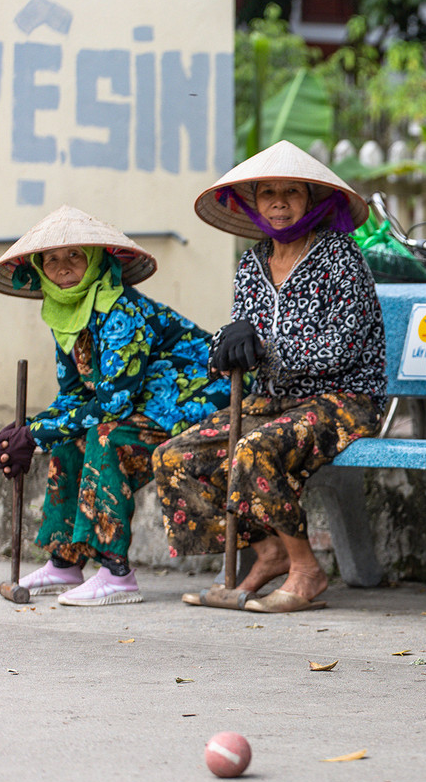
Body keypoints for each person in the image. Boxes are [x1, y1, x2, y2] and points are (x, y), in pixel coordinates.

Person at [152, 140, 386, 614]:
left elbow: (342, 346)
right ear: (253, 203)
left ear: (311, 200)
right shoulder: (251, 263)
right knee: (175, 457)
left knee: (254, 448)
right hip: (271, 401)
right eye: (267, 193)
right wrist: (229, 343)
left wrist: (266, 350)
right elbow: (241, 334)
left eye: (292, 192)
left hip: (342, 399)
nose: (279, 202)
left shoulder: (339, 256)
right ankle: (270, 552)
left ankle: (307, 570)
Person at [0, 206, 229, 605]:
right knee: (68, 442)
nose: (63, 267)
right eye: (52, 260)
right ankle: (64, 562)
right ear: (41, 270)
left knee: (106, 437)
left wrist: (36, 432)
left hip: (195, 402)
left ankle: (117, 573)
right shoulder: (65, 315)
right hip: (143, 408)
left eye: (75, 257)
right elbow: (74, 398)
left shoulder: (119, 309)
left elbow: (113, 403)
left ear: (97, 261)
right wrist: (27, 430)